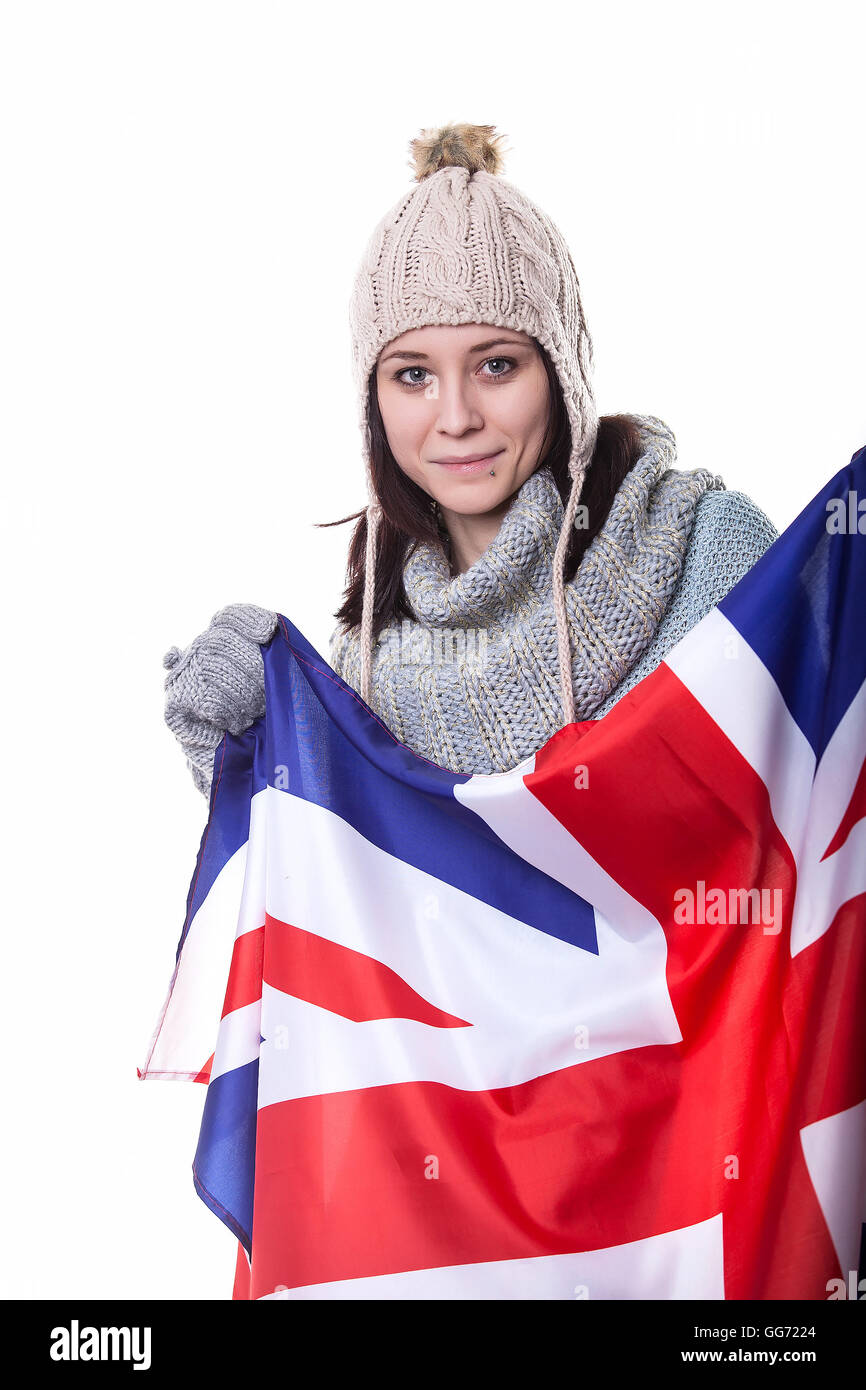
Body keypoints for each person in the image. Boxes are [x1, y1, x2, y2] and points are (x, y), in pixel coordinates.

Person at [162, 122, 779, 798]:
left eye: (496, 365)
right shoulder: (364, 673)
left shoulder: (715, 554)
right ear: (374, 400)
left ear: (561, 373)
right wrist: (244, 751)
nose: (456, 418)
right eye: (413, 375)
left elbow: (799, 831)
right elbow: (351, 892)